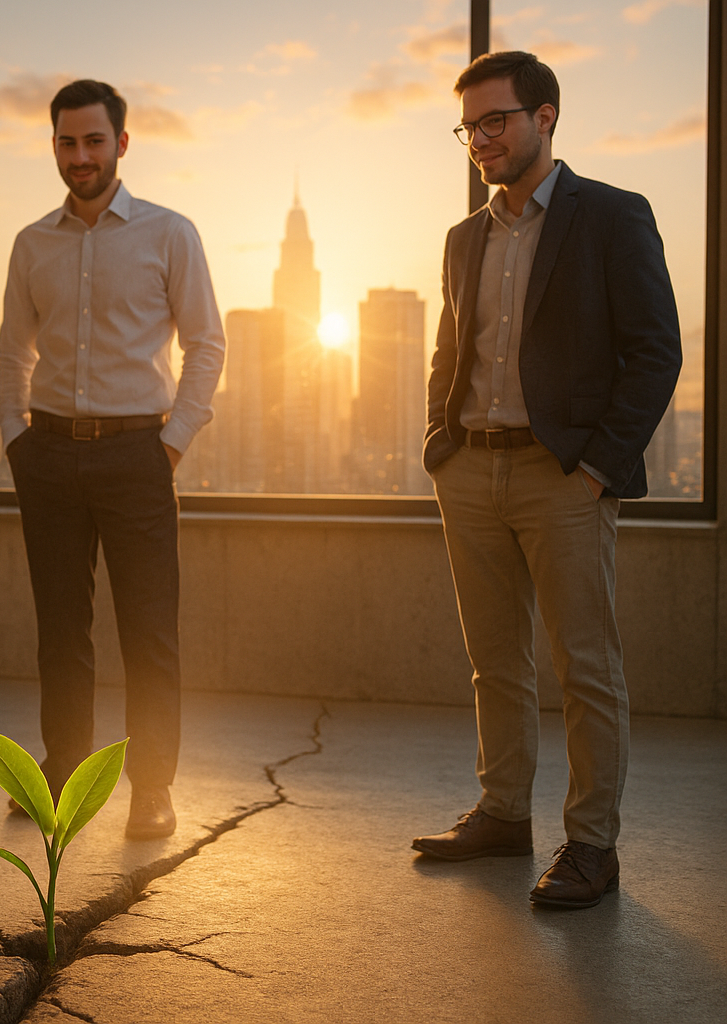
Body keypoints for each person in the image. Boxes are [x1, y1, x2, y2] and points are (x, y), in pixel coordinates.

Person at [413, 51, 681, 909]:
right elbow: (450, 353)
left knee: (586, 669)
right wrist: (438, 443)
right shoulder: (465, 237)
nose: (481, 139)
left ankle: (592, 846)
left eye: (497, 120)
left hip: (563, 475)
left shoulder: (611, 215)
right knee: (495, 662)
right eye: (470, 126)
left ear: (546, 117)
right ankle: (502, 816)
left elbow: (656, 351)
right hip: (472, 470)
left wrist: (599, 465)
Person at [0, 80, 225, 840]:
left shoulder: (170, 233)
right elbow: (11, 351)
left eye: (94, 141)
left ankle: (151, 788)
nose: (80, 156)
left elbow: (207, 344)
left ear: (121, 144)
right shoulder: (32, 243)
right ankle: (60, 775)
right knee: (60, 628)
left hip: (138, 453)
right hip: (50, 453)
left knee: (149, 630)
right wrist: (13, 435)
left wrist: (171, 442)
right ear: (55, 146)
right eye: (67, 142)